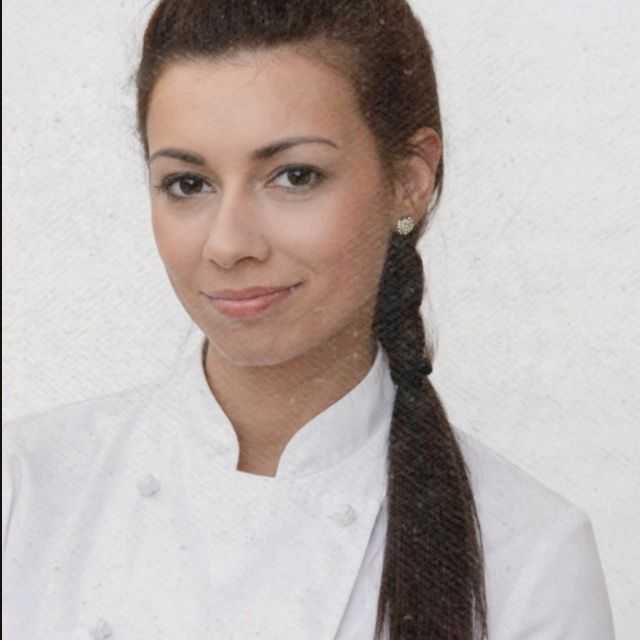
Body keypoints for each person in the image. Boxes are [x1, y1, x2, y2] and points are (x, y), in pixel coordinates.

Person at [2, 1, 616, 638]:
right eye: (188, 184)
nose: (228, 244)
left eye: (294, 176)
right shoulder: (22, 492)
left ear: (409, 181)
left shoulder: (530, 558)